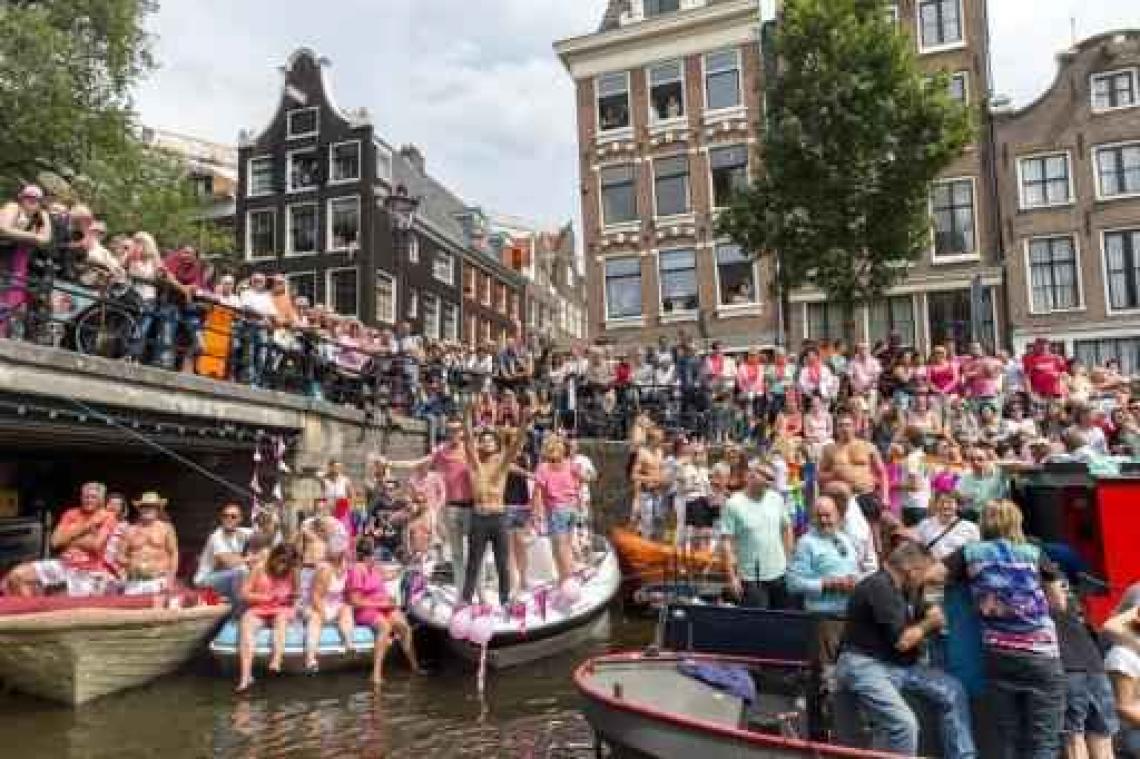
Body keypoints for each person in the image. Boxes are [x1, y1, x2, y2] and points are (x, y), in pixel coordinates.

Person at [925, 499, 1065, 759]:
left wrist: (938, 603)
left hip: (998, 652)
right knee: (1044, 739)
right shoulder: (1033, 552)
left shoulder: (970, 553)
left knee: (1009, 735)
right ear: (1016, 522)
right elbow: (1059, 603)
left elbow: (931, 575)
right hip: (1041, 654)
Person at [836, 541, 975, 758]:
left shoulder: (906, 588)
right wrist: (930, 623)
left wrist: (930, 608)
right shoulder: (879, 587)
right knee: (904, 725)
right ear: (911, 571)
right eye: (923, 573)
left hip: (898, 665)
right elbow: (903, 641)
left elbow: (926, 604)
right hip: (865, 664)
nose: (925, 579)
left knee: (953, 691)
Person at [459, 402, 529, 608]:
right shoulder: (474, 464)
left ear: (497, 444)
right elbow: (468, 439)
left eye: (491, 440)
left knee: (502, 563)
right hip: (479, 518)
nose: (487, 443)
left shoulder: (502, 463)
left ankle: (504, 600)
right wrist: (466, 416)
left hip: (499, 518)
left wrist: (524, 422)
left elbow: (517, 443)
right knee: (473, 563)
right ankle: (465, 600)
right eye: (484, 440)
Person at [3, 482, 118, 596]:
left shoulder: (107, 516)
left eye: (93, 497)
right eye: (85, 497)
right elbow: (54, 542)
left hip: (88, 571)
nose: (88, 500)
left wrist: (68, 538)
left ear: (101, 500)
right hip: (63, 564)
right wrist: (87, 526)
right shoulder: (71, 514)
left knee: (55, 595)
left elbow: (96, 545)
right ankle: (30, 606)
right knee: (16, 576)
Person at [1047, 579, 1117, 759]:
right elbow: (1060, 602)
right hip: (1081, 662)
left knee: (1081, 736)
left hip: (1076, 662)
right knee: (1094, 735)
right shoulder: (1049, 569)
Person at [787, 495, 859, 661]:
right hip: (824, 619)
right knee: (826, 670)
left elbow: (854, 569)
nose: (823, 520)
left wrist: (854, 581)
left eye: (828, 515)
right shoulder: (806, 543)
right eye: (819, 516)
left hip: (848, 616)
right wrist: (827, 584)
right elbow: (793, 584)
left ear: (837, 516)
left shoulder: (844, 539)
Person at [347, 536, 422, 687]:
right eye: (375, 553)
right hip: (366, 609)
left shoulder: (374, 567)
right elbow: (355, 601)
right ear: (366, 555)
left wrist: (406, 566)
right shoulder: (357, 570)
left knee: (404, 627)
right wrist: (381, 603)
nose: (377, 557)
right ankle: (375, 674)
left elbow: (389, 576)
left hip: (384, 606)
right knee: (385, 627)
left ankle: (415, 667)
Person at [720, 460, 793, 610]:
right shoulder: (733, 504)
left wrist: (788, 561)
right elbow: (726, 542)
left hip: (780, 574)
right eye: (766, 476)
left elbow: (786, 529)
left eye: (772, 478)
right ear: (751, 475)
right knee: (758, 622)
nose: (769, 482)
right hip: (752, 579)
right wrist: (732, 577)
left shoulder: (777, 499)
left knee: (782, 619)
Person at [236, 543, 300, 693]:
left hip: (281, 608)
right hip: (260, 607)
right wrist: (265, 597)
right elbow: (244, 594)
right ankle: (245, 677)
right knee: (247, 622)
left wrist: (291, 599)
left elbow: (296, 595)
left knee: (281, 618)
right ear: (274, 556)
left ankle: (276, 660)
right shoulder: (259, 568)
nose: (283, 566)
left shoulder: (292, 572)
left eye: (288, 563)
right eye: (282, 561)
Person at [0, 184, 51, 338]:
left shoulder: (37, 218)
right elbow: (3, 229)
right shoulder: (13, 208)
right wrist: (33, 236)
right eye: (28, 198)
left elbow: (46, 239)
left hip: (18, 263)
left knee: (11, 301)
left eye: (36, 200)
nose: (32, 202)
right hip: (4, 257)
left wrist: (45, 216)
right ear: (21, 198)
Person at [532, 434, 582, 584]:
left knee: (558, 547)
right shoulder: (570, 464)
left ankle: (566, 579)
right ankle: (568, 576)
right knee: (567, 545)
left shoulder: (544, 468)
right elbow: (578, 485)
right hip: (572, 508)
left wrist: (536, 513)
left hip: (556, 510)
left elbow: (537, 493)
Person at [819, 412, 890, 512]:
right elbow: (819, 475)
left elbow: (882, 472)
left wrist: (885, 496)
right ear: (836, 429)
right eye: (840, 425)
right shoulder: (829, 449)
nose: (844, 428)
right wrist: (833, 474)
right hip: (841, 498)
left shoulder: (867, 446)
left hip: (866, 495)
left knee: (876, 522)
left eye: (848, 425)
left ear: (854, 427)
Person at [302, 541, 354, 674]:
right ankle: (310, 658)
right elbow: (315, 596)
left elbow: (344, 595)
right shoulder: (325, 570)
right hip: (315, 604)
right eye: (346, 558)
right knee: (316, 618)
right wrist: (323, 613)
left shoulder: (345, 571)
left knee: (346, 609)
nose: (349, 561)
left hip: (334, 605)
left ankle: (349, 644)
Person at [120, 492, 179, 595]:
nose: (147, 509)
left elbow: (174, 553)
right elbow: (119, 555)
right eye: (144, 506)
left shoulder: (166, 528)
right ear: (139, 509)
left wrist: (171, 578)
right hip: (135, 580)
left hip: (159, 578)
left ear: (158, 509)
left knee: (158, 604)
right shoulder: (130, 530)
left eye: (152, 507)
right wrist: (131, 564)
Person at [193, 503, 253, 603]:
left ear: (240, 519)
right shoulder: (216, 536)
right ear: (221, 518)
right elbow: (227, 561)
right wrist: (250, 558)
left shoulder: (242, 532)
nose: (229, 519)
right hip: (205, 580)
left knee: (247, 571)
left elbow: (265, 535)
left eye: (233, 516)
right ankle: (237, 610)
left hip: (226, 577)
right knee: (241, 572)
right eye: (225, 516)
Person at [914, 491, 980, 560]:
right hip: (931, 565)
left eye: (950, 502)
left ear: (957, 505)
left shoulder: (970, 527)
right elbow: (916, 549)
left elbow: (975, 554)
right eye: (942, 502)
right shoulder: (924, 525)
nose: (945, 506)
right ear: (936, 504)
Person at [631, 425, 667, 538]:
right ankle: (645, 541)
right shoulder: (642, 453)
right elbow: (634, 475)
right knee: (647, 522)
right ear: (652, 439)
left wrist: (663, 478)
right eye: (660, 439)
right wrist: (650, 479)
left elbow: (661, 470)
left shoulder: (660, 452)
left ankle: (657, 542)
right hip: (646, 492)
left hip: (659, 491)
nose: (662, 441)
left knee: (660, 519)